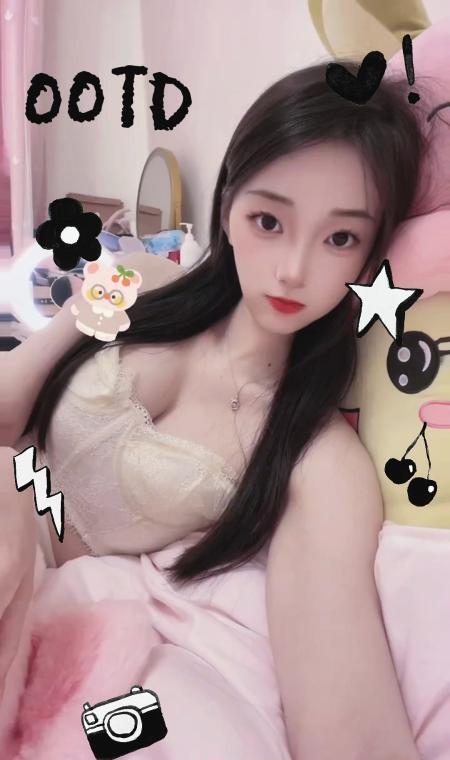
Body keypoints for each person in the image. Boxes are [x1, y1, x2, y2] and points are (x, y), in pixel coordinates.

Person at [0, 60, 429, 760]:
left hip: (57, 608)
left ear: (371, 257)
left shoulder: (315, 458)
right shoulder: (140, 280)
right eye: (269, 220)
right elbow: (12, 395)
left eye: (340, 238)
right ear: (228, 202)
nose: (293, 269)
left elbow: (348, 726)